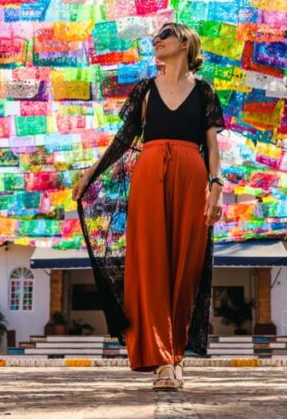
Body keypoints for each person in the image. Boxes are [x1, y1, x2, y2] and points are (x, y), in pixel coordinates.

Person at [72, 22, 225, 391]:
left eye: (165, 34)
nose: (157, 40)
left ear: (185, 42)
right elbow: (123, 140)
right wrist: (91, 173)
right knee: (151, 265)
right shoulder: (145, 90)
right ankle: (162, 361)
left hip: (191, 175)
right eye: (156, 36)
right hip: (149, 174)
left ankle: (176, 355)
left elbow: (213, 146)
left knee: (186, 266)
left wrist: (216, 186)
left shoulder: (204, 91)